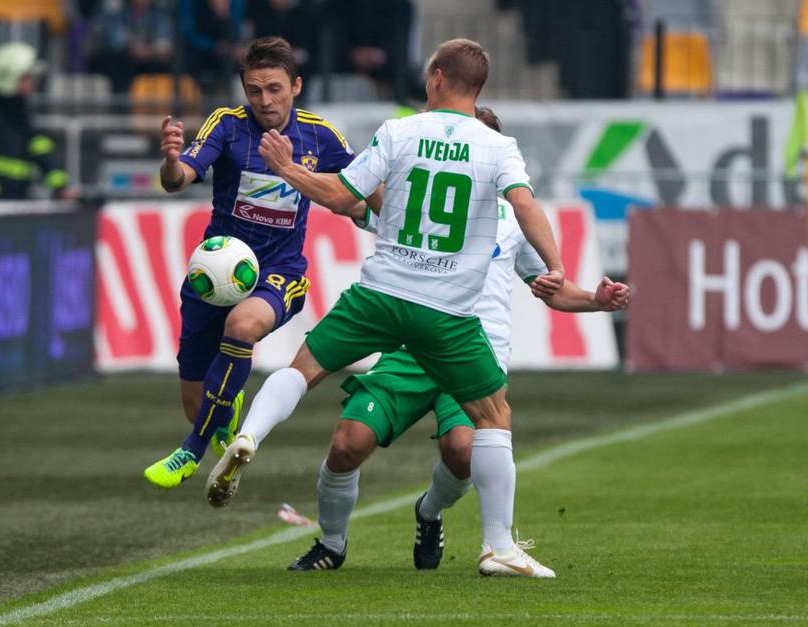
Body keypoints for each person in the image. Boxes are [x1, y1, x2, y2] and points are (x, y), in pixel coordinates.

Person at [207, 38, 565, 578]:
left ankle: (249, 434)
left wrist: (288, 168)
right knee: (494, 417)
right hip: (445, 310)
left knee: (303, 368)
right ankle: (498, 547)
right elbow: (524, 205)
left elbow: (341, 195)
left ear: (437, 78)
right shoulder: (498, 147)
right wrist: (555, 263)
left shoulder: (399, 131)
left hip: (380, 294)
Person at [286, 107, 631, 572]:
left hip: (471, 349)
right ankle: (332, 543)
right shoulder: (417, 201)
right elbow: (354, 202)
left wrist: (595, 299)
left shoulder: (513, 220)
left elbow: (551, 288)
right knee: (348, 443)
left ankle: (430, 511)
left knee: (463, 450)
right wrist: (316, 177)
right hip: (411, 346)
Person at [143, 36, 359, 489]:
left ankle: (190, 452)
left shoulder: (321, 136)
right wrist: (169, 162)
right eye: (254, 90)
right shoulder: (227, 125)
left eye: (275, 88)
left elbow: (361, 193)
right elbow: (178, 179)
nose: (265, 100)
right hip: (214, 276)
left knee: (241, 326)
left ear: (296, 86)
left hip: (281, 273)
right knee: (198, 403)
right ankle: (224, 408)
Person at [0, 42, 70, 201]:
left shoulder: (23, 116)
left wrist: (61, 187)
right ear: (8, 77)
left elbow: (43, 155)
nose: (32, 84)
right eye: (26, 78)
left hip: (17, 204)